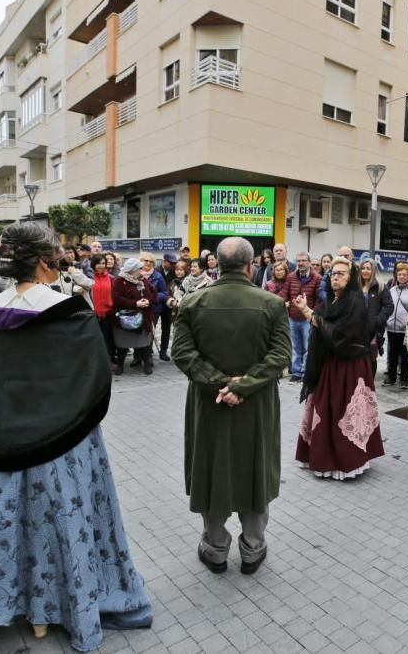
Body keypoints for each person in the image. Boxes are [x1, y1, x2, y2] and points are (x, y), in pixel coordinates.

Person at [0, 222, 152, 650]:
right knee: (62, 522)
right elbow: (95, 379)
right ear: (47, 261)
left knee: (15, 522)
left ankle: (15, 603)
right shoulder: (69, 311)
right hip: (62, 446)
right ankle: (69, 604)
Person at [171, 236, 291, 575]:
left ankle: (215, 547)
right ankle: (253, 547)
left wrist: (219, 383)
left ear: (216, 264)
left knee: (212, 470)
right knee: (256, 468)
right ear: (251, 265)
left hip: (210, 404)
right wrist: (245, 385)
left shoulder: (193, 303)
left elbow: (181, 353)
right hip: (256, 405)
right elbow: (281, 355)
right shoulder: (271, 304)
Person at [293, 257, 384, 479]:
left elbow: (340, 335)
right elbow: (323, 323)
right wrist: (307, 310)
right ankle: (324, 456)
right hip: (331, 363)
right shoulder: (331, 301)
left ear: (350, 277)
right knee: (326, 409)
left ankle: (347, 461)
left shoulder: (355, 302)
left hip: (349, 366)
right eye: (333, 273)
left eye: (341, 273)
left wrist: (308, 314)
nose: (335, 277)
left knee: (343, 411)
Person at [279, 251, 322, 383]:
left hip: (307, 319)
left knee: (308, 347)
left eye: (303, 261)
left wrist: (312, 313)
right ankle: (297, 371)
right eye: (298, 261)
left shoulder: (317, 278)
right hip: (293, 317)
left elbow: (319, 300)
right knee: (295, 347)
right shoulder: (291, 276)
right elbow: (284, 293)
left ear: (309, 262)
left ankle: (305, 372)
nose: (301, 263)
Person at [112, 258, 157, 375]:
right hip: (126, 318)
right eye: (139, 268)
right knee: (122, 344)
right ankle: (120, 366)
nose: (142, 270)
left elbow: (153, 292)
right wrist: (135, 303)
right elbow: (116, 298)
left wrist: (148, 301)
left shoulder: (143, 280)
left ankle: (147, 365)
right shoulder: (120, 281)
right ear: (132, 270)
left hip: (143, 317)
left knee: (144, 342)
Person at [380, 262, 408, 388]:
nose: (402, 277)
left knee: (405, 355)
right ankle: (391, 378)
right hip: (392, 327)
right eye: (399, 274)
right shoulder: (391, 290)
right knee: (392, 353)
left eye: (404, 274)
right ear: (396, 276)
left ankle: (404, 379)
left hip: (405, 328)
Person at [359, 258, 390, 376]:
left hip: (372, 330)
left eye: (368, 268)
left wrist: (377, 320)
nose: (365, 271)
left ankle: (369, 385)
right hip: (356, 328)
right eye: (363, 268)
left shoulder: (381, 286)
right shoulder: (356, 286)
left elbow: (389, 306)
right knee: (357, 358)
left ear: (374, 271)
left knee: (370, 358)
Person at [139, 252, 169, 364]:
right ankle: (137, 356)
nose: (148, 263)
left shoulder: (158, 276)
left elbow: (164, 292)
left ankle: (148, 355)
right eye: (145, 260)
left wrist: (152, 298)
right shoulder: (135, 274)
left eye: (151, 261)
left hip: (153, 309)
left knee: (149, 332)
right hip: (137, 308)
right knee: (137, 331)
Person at [90, 253, 116, 363]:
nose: (101, 266)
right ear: (93, 264)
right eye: (98, 263)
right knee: (96, 339)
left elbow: (115, 294)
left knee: (109, 337)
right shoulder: (89, 277)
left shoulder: (111, 278)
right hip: (94, 314)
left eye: (103, 263)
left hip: (108, 313)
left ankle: (110, 358)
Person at [155, 252, 179, 361]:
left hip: (168, 305)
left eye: (174, 263)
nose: (174, 265)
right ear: (164, 261)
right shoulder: (155, 270)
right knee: (152, 327)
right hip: (156, 303)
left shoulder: (175, 272)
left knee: (166, 329)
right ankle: (148, 351)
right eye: (171, 263)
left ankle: (163, 351)